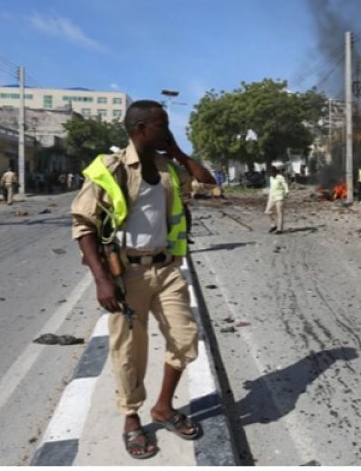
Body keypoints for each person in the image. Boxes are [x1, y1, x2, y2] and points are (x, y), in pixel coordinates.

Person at [71, 100, 215, 460]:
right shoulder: (112, 168)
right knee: (129, 352)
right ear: (138, 129)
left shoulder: (167, 167)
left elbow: (207, 182)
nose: (167, 131)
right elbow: (83, 226)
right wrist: (103, 280)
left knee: (185, 339)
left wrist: (179, 151)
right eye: (160, 125)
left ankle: (163, 408)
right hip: (127, 274)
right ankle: (131, 417)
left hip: (166, 269)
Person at [265, 165, 289, 234]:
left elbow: (285, 184)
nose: (271, 174)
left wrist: (287, 191)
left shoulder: (280, 177)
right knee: (267, 211)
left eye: (272, 172)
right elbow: (272, 187)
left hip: (279, 197)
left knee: (279, 213)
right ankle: (273, 225)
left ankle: (279, 229)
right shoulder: (271, 178)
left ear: (275, 172)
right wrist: (269, 196)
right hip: (272, 197)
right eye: (270, 173)